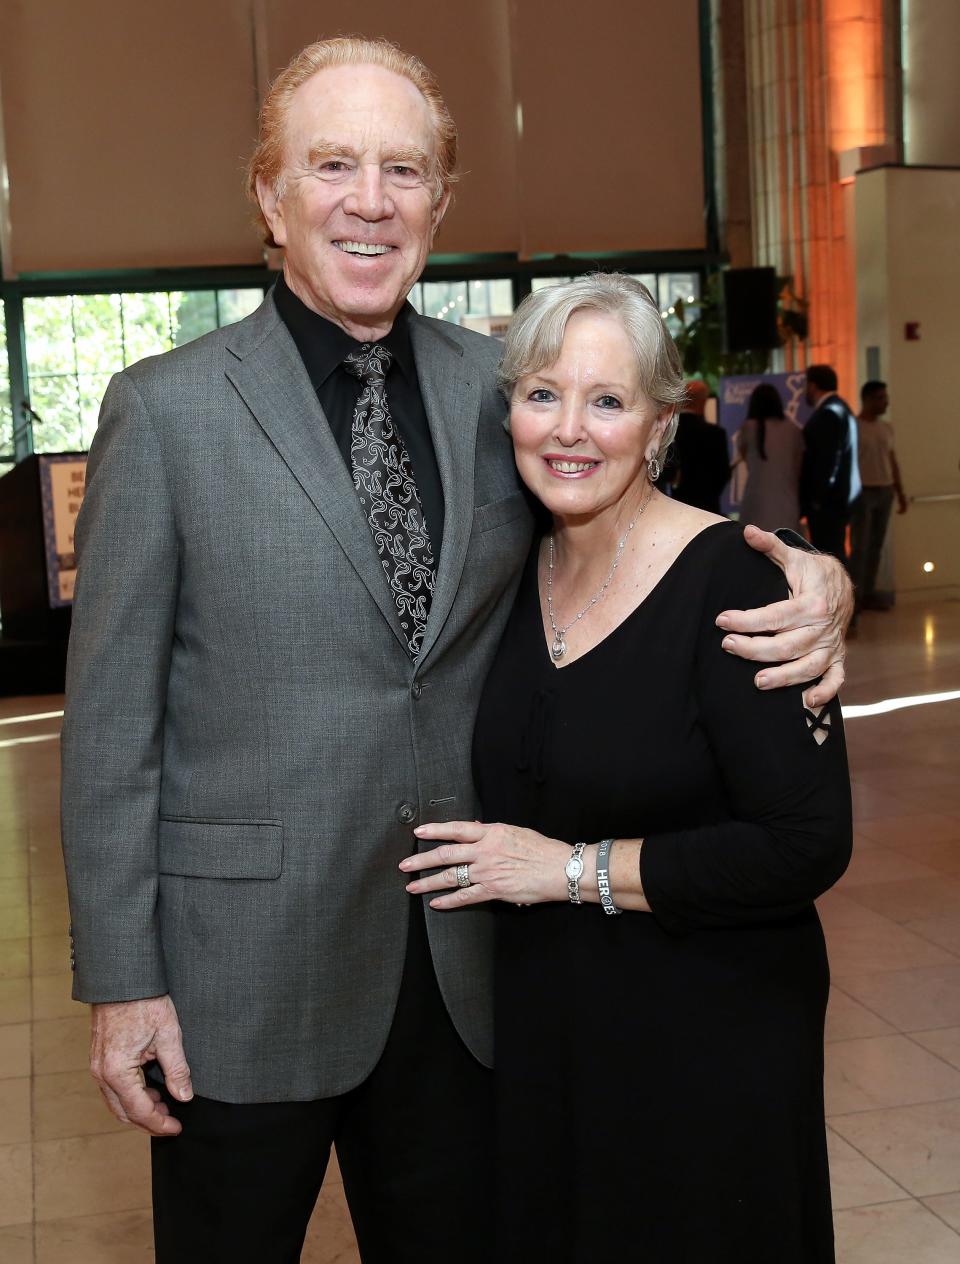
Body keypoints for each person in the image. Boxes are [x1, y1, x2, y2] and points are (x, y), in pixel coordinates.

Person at [60, 37, 852, 1264]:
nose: (369, 201)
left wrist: (807, 567)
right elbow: (110, 728)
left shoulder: (505, 391)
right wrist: (124, 983)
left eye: (404, 170)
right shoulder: (163, 411)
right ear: (269, 195)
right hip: (238, 985)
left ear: (441, 199)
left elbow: (633, 509)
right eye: (332, 165)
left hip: (468, 969)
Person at [403, 275, 852, 1263]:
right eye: (543, 394)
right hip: (554, 1033)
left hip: (709, 1029)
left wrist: (570, 869)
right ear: (509, 410)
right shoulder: (509, 570)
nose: (571, 428)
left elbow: (806, 842)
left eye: (607, 401)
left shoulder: (735, 580)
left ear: (659, 424)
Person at [850, 380, 907, 612]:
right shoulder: (854, 426)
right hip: (863, 491)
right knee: (860, 546)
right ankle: (854, 597)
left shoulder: (887, 428)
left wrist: (900, 490)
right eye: (881, 398)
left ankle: (869, 593)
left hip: (885, 489)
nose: (886, 402)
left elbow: (892, 460)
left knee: (876, 545)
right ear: (868, 399)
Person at [800, 363, 861, 559]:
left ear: (813, 385)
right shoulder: (843, 409)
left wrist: (817, 497)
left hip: (827, 502)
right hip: (840, 498)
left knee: (829, 555)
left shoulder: (827, 414)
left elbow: (827, 459)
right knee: (835, 552)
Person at [736, 381, 804, 532]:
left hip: (756, 500)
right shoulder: (793, 429)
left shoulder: (748, 428)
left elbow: (745, 458)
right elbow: (798, 467)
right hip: (787, 501)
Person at [662, 377, 731, 512]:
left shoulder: (668, 432)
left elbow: (666, 472)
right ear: (704, 402)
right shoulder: (716, 434)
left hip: (676, 506)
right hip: (709, 507)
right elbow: (723, 473)